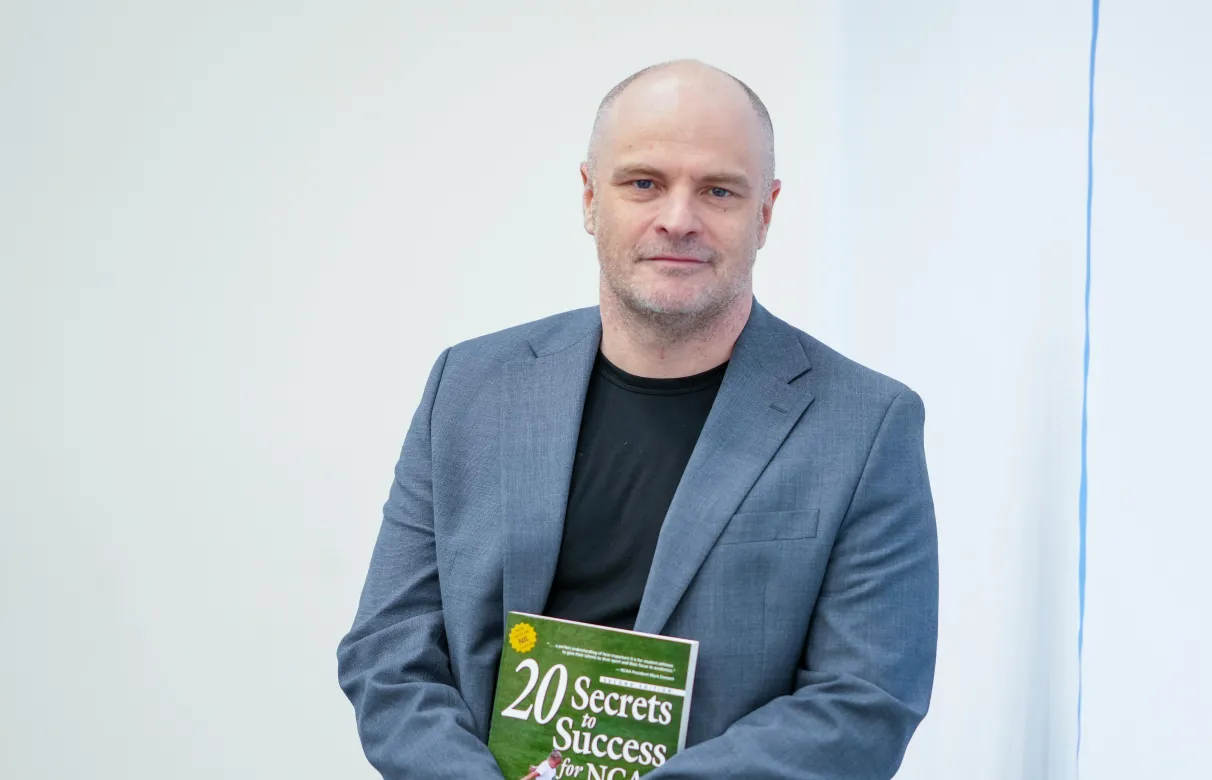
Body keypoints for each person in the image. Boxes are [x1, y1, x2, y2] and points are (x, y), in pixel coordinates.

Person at [337, 60, 938, 780]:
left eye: (718, 190)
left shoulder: (868, 426)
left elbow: (863, 704)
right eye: (644, 182)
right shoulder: (467, 387)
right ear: (591, 198)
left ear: (766, 214)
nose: (678, 218)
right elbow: (388, 650)